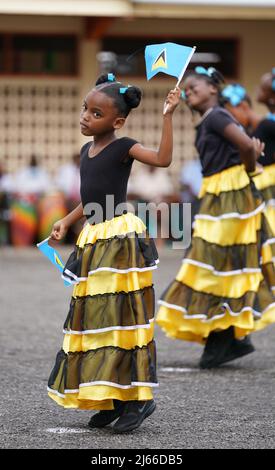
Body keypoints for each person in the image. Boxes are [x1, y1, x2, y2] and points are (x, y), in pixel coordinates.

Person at [47, 73, 181, 433]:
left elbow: (163, 159)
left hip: (119, 236)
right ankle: (111, 397)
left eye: (95, 113)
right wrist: (67, 219)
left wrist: (167, 116)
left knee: (121, 317)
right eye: (84, 110)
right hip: (93, 236)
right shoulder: (84, 152)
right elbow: (91, 198)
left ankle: (138, 399)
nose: (85, 117)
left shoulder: (124, 147)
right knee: (97, 320)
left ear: (117, 122)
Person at [156, 66, 275, 369]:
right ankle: (226, 338)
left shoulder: (218, 116)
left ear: (213, 89)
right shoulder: (209, 119)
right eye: (187, 89)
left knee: (214, 265)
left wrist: (249, 168)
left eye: (195, 86)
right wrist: (168, 112)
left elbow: (247, 145)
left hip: (231, 195)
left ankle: (226, 339)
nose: (189, 90)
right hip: (220, 194)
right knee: (221, 267)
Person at [253, 69, 275, 236]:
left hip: (269, 182)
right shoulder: (267, 122)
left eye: (261, 89)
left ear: (272, 99)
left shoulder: (267, 124)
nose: (256, 91)